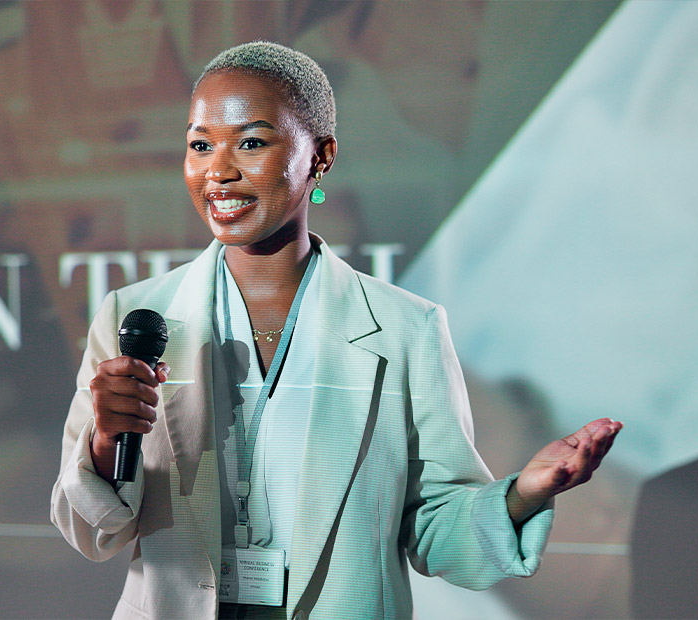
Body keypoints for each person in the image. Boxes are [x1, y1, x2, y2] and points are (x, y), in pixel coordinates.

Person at [50, 41, 621, 620]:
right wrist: (105, 446)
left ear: (320, 157)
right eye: (200, 145)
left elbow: (435, 532)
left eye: (251, 142)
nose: (218, 171)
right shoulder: (135, 316)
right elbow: (89, 530)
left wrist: (524, 493)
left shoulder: (406, 328)